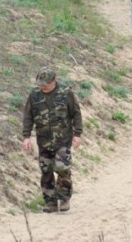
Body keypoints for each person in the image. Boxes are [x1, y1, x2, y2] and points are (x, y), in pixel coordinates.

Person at [22, 67, 83, 213]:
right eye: (40, 84)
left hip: (63, 139)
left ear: (54, 81)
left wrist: (77, 134)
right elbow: (28, 116)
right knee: (46, 171)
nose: (42, 87)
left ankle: (64, 199)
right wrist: (26, 136)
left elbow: (76, 113)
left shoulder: (65, 93)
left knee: (62, 168)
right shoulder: (34, 95)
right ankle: (50, 202)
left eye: (46, 84)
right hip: (43, 140)